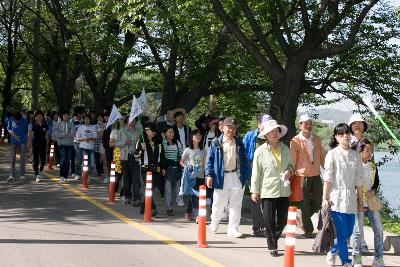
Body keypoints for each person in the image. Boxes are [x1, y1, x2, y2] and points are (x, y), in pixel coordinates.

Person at [250, 119, 293, 256]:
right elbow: (256, 172)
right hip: (267, 188)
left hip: (284, 188)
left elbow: (291, 166)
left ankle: (272, 237)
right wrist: (254, 191)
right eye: (271, 131)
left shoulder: (285, 149)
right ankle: (272, 245)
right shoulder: (260, 151)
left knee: (283, 218)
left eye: (276, 131)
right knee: (268, 218)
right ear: (266, 135)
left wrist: (289, 171)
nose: (274, 133)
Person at [323, 123, 364, 267]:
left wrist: (360, 200)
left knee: (347, 233)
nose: (345, 136)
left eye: (347, 133)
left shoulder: (355, 155)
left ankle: (332, 250)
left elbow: (359, 180)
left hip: (351, 197)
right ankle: (345, 261)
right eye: (341, 134)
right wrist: (324, 198)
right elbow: (327, 178)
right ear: (336, 137)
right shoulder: (332, 154)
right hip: (337, 197)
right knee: (341, 233)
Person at [205, 117, 250, 238]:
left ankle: (233, 229)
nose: (231, 130)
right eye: (228, 127)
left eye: (233, 127)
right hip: (221, 176)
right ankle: (214, 221)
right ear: (223, 128)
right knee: (219, 202)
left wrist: (246, 176)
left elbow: (245, 160)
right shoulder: (216, 142)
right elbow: (210, 160)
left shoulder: (239, 142)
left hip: (236, 176)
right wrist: (209, 175)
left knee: (236, 204)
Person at [290, 114, 325, 238]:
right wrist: (290, 174)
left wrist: (329, 170)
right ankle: (308, 230)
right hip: (301, 175)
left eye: (310, 123)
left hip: (316, 174)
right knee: (304, 203)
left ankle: (301, 217)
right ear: (300, 125)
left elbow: (322, 157)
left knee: (318, 201)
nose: (308, 126)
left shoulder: (316, 139)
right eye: (305, 124)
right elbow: (293, 160)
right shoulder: (295, 141)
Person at [352, 139, 385, 267]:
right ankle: (357, 259)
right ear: (360, 150)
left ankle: (379, 259)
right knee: (357, 232)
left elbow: (376, 181)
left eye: (371, 150)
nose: (370, 153)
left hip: (371, 202)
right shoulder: (354, 164)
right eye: (367, 150)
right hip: (358, 201)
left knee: (379, 230)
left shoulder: (372, 165)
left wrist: (374, 190)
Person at [243, 114, 272, 237]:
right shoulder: (250, 136)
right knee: (255, 198)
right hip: (253, 172)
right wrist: (247, 164)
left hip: (268, 173)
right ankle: (258, 227)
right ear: (259, 124)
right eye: (264, 124)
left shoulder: (271, 136)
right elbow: (243, 152)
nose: (266, 126)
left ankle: (266, 225)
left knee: (267, 199)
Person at [136, 122, 166, 216]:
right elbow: (136, 156)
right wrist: (141, 149)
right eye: (151, 130)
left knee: (151, 189)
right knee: (148, 188)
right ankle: (152, 208)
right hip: (145, 169)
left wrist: (163, 168)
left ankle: (143, 207)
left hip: (155, 169)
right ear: (146, 130)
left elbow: (162, 156)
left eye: (154, 131)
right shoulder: (140, 142)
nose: (153, 132)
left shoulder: (158, 143)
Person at [179, 130, 206, 222]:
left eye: (200, 135)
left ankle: (188, 211)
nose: (199, 136)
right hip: (192, 177)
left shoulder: (203, 150)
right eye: (196, 135)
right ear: (191, 137)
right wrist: (187, 167)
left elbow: (205, 164)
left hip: (201, 176)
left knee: (197, 195)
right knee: (195, 195)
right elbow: (181, 162)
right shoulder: (188, 150)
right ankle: (197, 215)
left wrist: (207, 175)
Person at [115, 116, 142, 206]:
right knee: (126, 178)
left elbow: (141, 143)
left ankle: (137, 198)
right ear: (127, 120)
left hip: (135, 156)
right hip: (125, 157)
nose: (133, 121)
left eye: (134, 119)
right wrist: (124, 143)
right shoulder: (121, 131)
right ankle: (127, 196)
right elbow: (116, 143)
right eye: (131, 119)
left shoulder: (138, 131)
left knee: (136, 178)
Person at [162, 125, 184, 215]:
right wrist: (163, 168)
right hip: (167, 169)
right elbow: (162, 157)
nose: (172, 134)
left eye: (173, 132)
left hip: (177, 169)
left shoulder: (178, 143)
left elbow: (182, 154)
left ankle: (178, 200)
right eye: (169, 132)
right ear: (165, 134)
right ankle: (169, 207)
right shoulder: (162, 143)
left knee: (178, 189)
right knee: (168, 190)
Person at [52, 111, 75, 183]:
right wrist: (65, 133)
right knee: (63, 160)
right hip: (62, 144)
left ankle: (65, 177)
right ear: (62, 116)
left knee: (67, 161)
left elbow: (73, 134)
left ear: (69, 116)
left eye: (67, 115)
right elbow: (55, 135)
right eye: (64, 115)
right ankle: (61, 176)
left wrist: (63, 134)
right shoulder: (58, 124)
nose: (66, 116)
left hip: (70, 145)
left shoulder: (71, 124)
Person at [75, 114, 97, 180]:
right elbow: (77, 138)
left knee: (92, 164)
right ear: (83, 120)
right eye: (85, 119)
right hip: (82, 147)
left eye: (88, 119)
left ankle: (88, 175)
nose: (87, 120)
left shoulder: (93, 127)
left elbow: (95, 138)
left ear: (90, 120)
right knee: (79, 161)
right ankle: (78, 174)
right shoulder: (80, 127)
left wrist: (90, 138)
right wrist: (84, 139)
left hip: (91, 148)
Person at [7, 112, 28, 181]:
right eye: (16, 120)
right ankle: (11, 175)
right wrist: (14, 135)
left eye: (18, 121)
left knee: (22, 158)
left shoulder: (24, 121)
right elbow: (9, 129)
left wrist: (26, 141)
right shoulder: (11, 119)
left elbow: (27, 131)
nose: (17, 122)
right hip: (13, 141)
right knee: (13, 158)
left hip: (22, 141)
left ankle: (22, 175)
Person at [29, 110, 49, 182]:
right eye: (38, 116)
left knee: (43, 160)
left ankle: (40, 171)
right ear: (35, 118)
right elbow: (31, 136)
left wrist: (47, 145)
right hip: (35, 145)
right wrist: (30, 147)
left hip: (43, 145)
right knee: (36, 160)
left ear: (42, 117)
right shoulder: (34, 126)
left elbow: (47, 136)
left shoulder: (45, 126)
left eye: (41, 116)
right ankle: (37, 175)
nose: (39, 117)